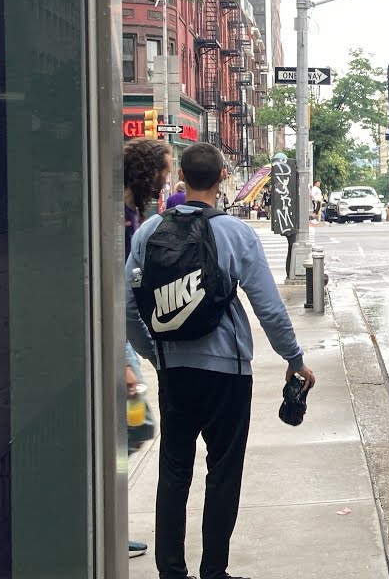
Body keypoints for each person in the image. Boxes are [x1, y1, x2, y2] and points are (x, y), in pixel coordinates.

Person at [126, 142, 316, 579]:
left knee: (173, 472)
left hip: (175, 371)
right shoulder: (236, 233)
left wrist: (155, 354)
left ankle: (171, 571)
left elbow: (126, 303)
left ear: (184, 180)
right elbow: (268, 306)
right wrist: (294, 358)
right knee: (223, 473)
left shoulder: (149, 231)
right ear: (222, 176)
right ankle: (214, 571)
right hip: (227, 374)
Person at [122, 138, 173, 560]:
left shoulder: (132, 215)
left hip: (123, 346)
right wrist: (128, 367)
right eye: (165, 168)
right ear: (149, 171)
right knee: (135, 427)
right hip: (118, 350)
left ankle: (108, 518)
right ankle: (105, 520)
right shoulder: (122, 219)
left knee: (133, 430)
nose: (168, 176)